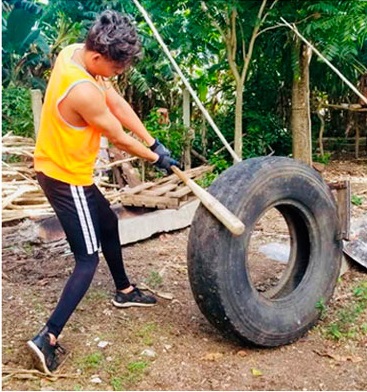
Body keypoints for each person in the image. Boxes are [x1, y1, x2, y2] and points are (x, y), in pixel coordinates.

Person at [27, 10, 179, 374]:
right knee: (87, 258)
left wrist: (154, 141)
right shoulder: (81, 90)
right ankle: (46, 337)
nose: (119, 75)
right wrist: (154, 158)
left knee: (108, 222)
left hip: (69, 169)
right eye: (116, 69)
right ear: (98, 57)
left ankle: (124, 291)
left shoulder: (77, 54)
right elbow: (116, 136)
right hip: (64, 177)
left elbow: (117, 104)